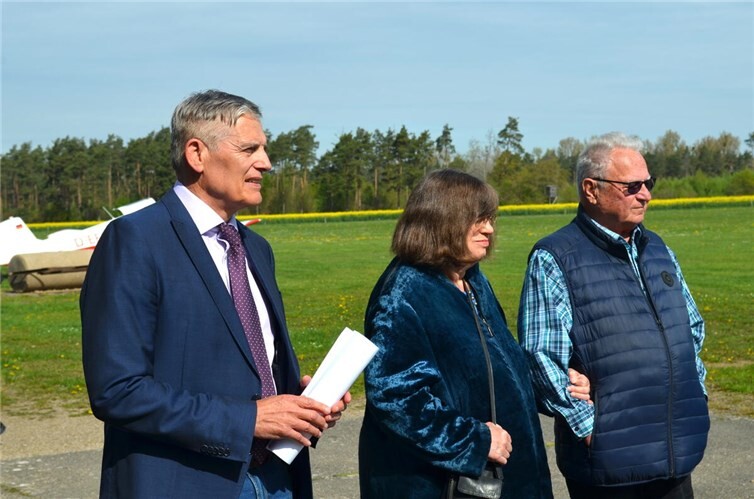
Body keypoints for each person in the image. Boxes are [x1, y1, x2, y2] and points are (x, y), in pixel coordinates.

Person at [81, 90, 349, 499]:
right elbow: (117, 391)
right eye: (250, 149)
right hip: (187, 483)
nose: (266, 163)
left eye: (264, 149)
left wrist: (302, 405)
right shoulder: (136, 240)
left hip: (277, 479)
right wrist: (248, 420)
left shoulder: (256, 248)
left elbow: (242, 365)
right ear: (197, 154)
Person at [358, 169, 591, 498]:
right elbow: (395, 399)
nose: (489, 229)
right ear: (441, 220)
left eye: (490, 218)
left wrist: (552, 382)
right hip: (444, 486)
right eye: (478, 219)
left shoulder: (471, 279)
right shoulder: (403, 295)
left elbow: (493, 363)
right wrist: (475, 440)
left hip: (507, 478)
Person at [518, 132, 710, 498]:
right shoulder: (555, 258)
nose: (646, 194)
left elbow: (692, 330)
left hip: (676, 455)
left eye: (649, 183)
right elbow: (540, 356)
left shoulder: (657, 249)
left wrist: (694, 391)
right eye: (632, 186)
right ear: (591, 190)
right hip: (609, 467)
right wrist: (589, 428)